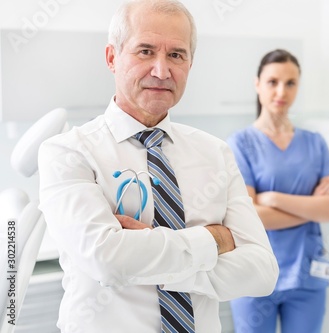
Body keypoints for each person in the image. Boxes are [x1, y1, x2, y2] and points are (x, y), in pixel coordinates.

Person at [37, 1, 278, 332]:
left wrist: (148, 251)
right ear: (112, 57)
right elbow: (106, 261)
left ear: (190, 63)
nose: (162, 71)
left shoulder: (215, 153)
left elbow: (262, 271)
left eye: (176, 55)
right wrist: (213, 240)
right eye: (145, 51)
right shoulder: (68, 152)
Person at [227, 49, 329, 333]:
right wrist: (311, 207)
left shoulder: (315, 143)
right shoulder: (240, 144)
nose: (282, 91)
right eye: (273, 82)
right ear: (257, 84)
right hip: (253, 273)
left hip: (307, 275)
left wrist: (275, 199)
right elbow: (251, 215)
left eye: (290, 83)